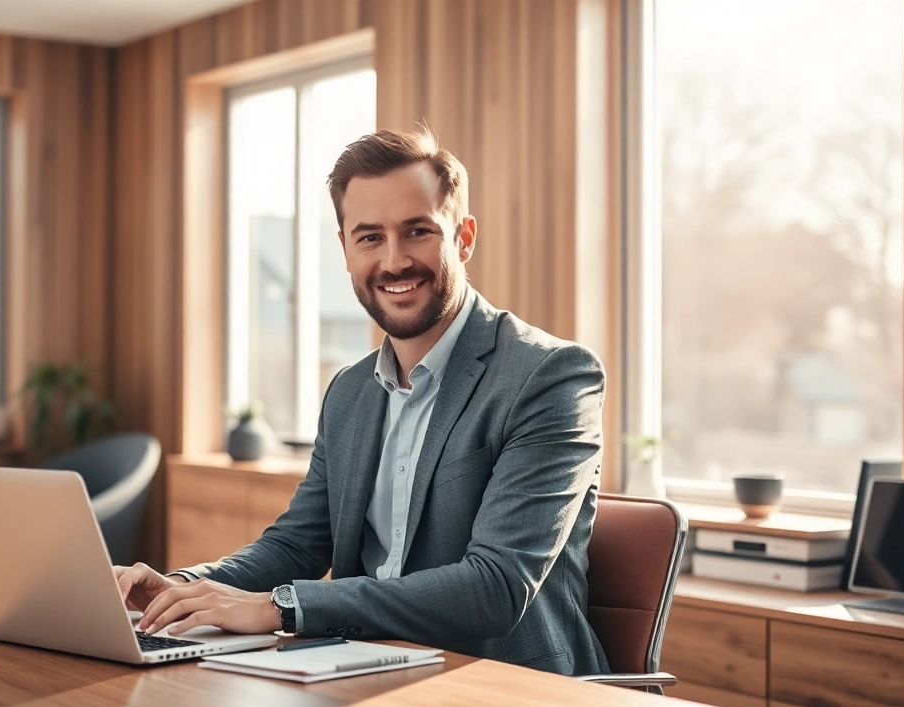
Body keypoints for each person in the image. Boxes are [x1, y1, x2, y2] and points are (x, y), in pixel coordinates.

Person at [117, 128, 610, 676]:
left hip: (507, 687)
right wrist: (182, 588)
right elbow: (299, 543)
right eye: (369, 237)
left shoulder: (550, 377)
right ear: (346, 250)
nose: (394, 261)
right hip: (363, 669)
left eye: (418, 231)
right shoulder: (350, 392)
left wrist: (282, 607)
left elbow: (494, 586)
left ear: (464, 238)